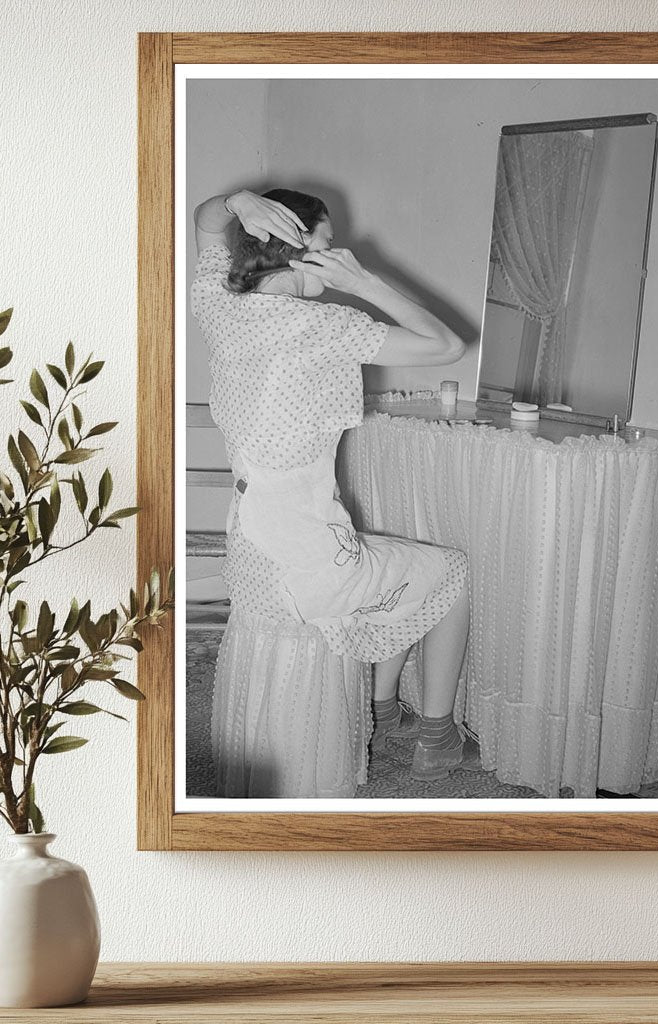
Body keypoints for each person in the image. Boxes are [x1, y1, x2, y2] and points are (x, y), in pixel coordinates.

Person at [190, 186, 480, 787]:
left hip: (251, 541)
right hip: (306, 546)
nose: (336, 252)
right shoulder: (325, 326)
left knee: (334, 608)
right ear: (298, 250)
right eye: (327, 243)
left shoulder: (221, 307)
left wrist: (240, 200)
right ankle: (435, 734)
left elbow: (206, 220)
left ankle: (379, 709)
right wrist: (365, 282)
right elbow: (448, 346)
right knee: (449, 572)